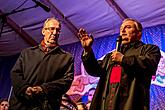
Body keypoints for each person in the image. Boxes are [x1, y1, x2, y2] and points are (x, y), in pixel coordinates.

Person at [78, 18, 161, 110]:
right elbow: (94, 70)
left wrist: (123, 59)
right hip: (106, 103)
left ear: (139, 33)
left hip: (130, 103)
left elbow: (149, 64)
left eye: (128, 27)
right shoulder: (111, 56)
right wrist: (87, 50)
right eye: (121, 28)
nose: (123, 30)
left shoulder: (149, 49)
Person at [9, 17, 74, 110]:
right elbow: (15, 73)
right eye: (52, 29)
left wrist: (43, 89)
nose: (55, 33)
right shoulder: (27, 53)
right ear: (43, 31)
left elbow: (66, 82)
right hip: (20, 106)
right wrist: (24, 88)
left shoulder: (66, 58)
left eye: (58, 30)